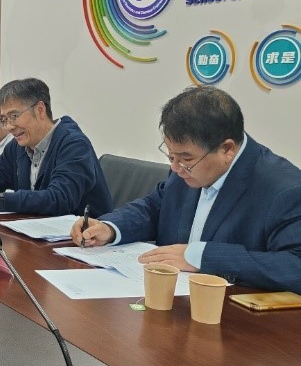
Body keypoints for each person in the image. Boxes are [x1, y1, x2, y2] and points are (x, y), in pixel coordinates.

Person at [70, 86, 301, 293]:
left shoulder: (284, 189)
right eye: (171, 155)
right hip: (169, 302)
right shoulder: (186, 168)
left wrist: (202, 257)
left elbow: (295, 266)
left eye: (185, 158)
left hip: (234, 317)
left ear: (227, 149)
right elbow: (155, 208)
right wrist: (110, 228)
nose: (175, 167)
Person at [0, 78, 112, 216]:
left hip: (81, 239)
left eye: (14, 116)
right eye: (4, 119)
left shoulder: (73, 144)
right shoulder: (19, 145)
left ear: (40, 110)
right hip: (35, 232)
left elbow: (59, 199)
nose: (9, 126)